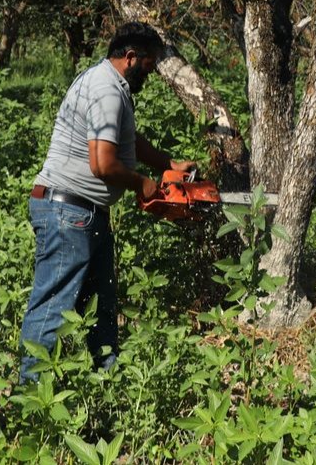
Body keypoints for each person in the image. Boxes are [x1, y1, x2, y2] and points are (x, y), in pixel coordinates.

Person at [18, 21, 191, 380]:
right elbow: (103, 164)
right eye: (149, 65)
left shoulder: (109, 84)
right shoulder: (107, 90)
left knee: (101, 308)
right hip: (68, 212)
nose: (151, 74)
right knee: (53, 307)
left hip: (83, 213)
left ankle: (108, 384)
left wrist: (167, 164)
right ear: (130, 57)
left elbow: (127, 139)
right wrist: (141, 183)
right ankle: (30, 400)